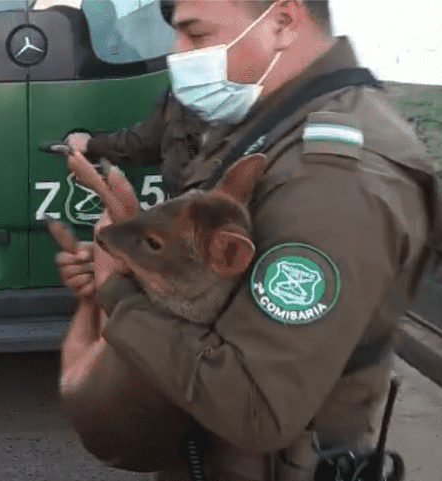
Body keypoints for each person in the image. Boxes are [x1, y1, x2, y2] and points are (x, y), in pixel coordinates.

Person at [56, 1, 442, 480]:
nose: (177, 55)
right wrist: (138, 268)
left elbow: (258, 408)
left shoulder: (333, 178)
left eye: (195, 37)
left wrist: (119, 291)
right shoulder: (269, 127)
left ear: (282, 21)